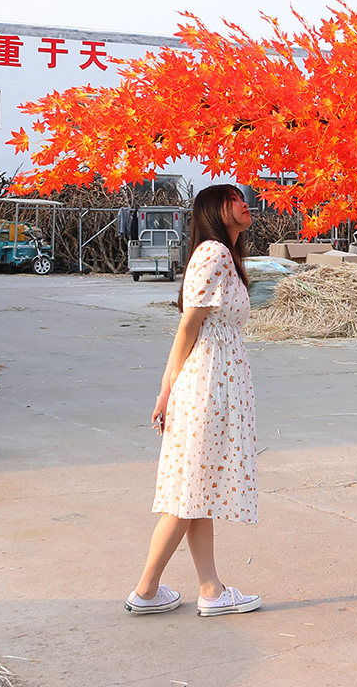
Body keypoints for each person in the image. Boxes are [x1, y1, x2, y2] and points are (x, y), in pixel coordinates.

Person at [125, 184, 261, 616]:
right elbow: (188, 327)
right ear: (216, 210)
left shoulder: (226, 256)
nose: (246, 204)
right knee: (188, 492)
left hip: (216, 379)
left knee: (198, 488)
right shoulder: (214, 254)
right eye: (235, 199)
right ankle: (146, 590)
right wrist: (167, 389)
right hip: (207, 383)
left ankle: (211, 590)